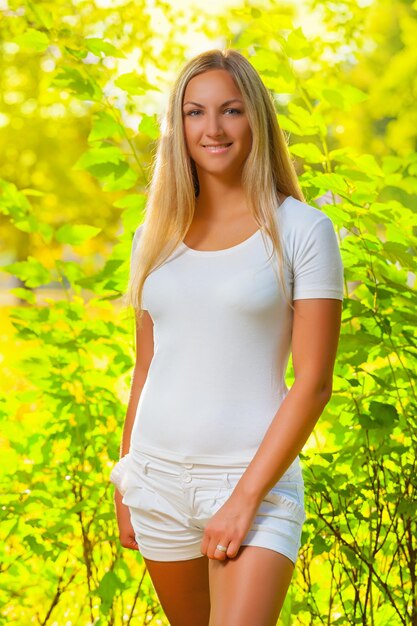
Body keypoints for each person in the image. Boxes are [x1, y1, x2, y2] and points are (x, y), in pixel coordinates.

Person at [110, 48, 344, 626]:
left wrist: (243, 502)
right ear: (178, 125)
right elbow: (147, 367)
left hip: (253, 487)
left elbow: (313, 384)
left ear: (256, 120)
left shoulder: (303, 230)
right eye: (195, 113)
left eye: (231, 111)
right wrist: (126, 476)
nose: (212, 129)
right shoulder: (154, 234)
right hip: (156, 481)